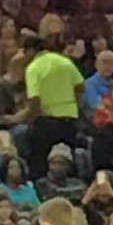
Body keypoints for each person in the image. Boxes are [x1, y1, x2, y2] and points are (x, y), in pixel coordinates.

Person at [25, 14, 85, 180]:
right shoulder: (66, 62)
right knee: (67, 164)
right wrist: (75, 104)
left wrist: (31, 117)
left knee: (40, 165)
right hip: (68, 121)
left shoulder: (34, 67)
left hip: (46, 121)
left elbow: (34, 99)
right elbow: (81, 86)